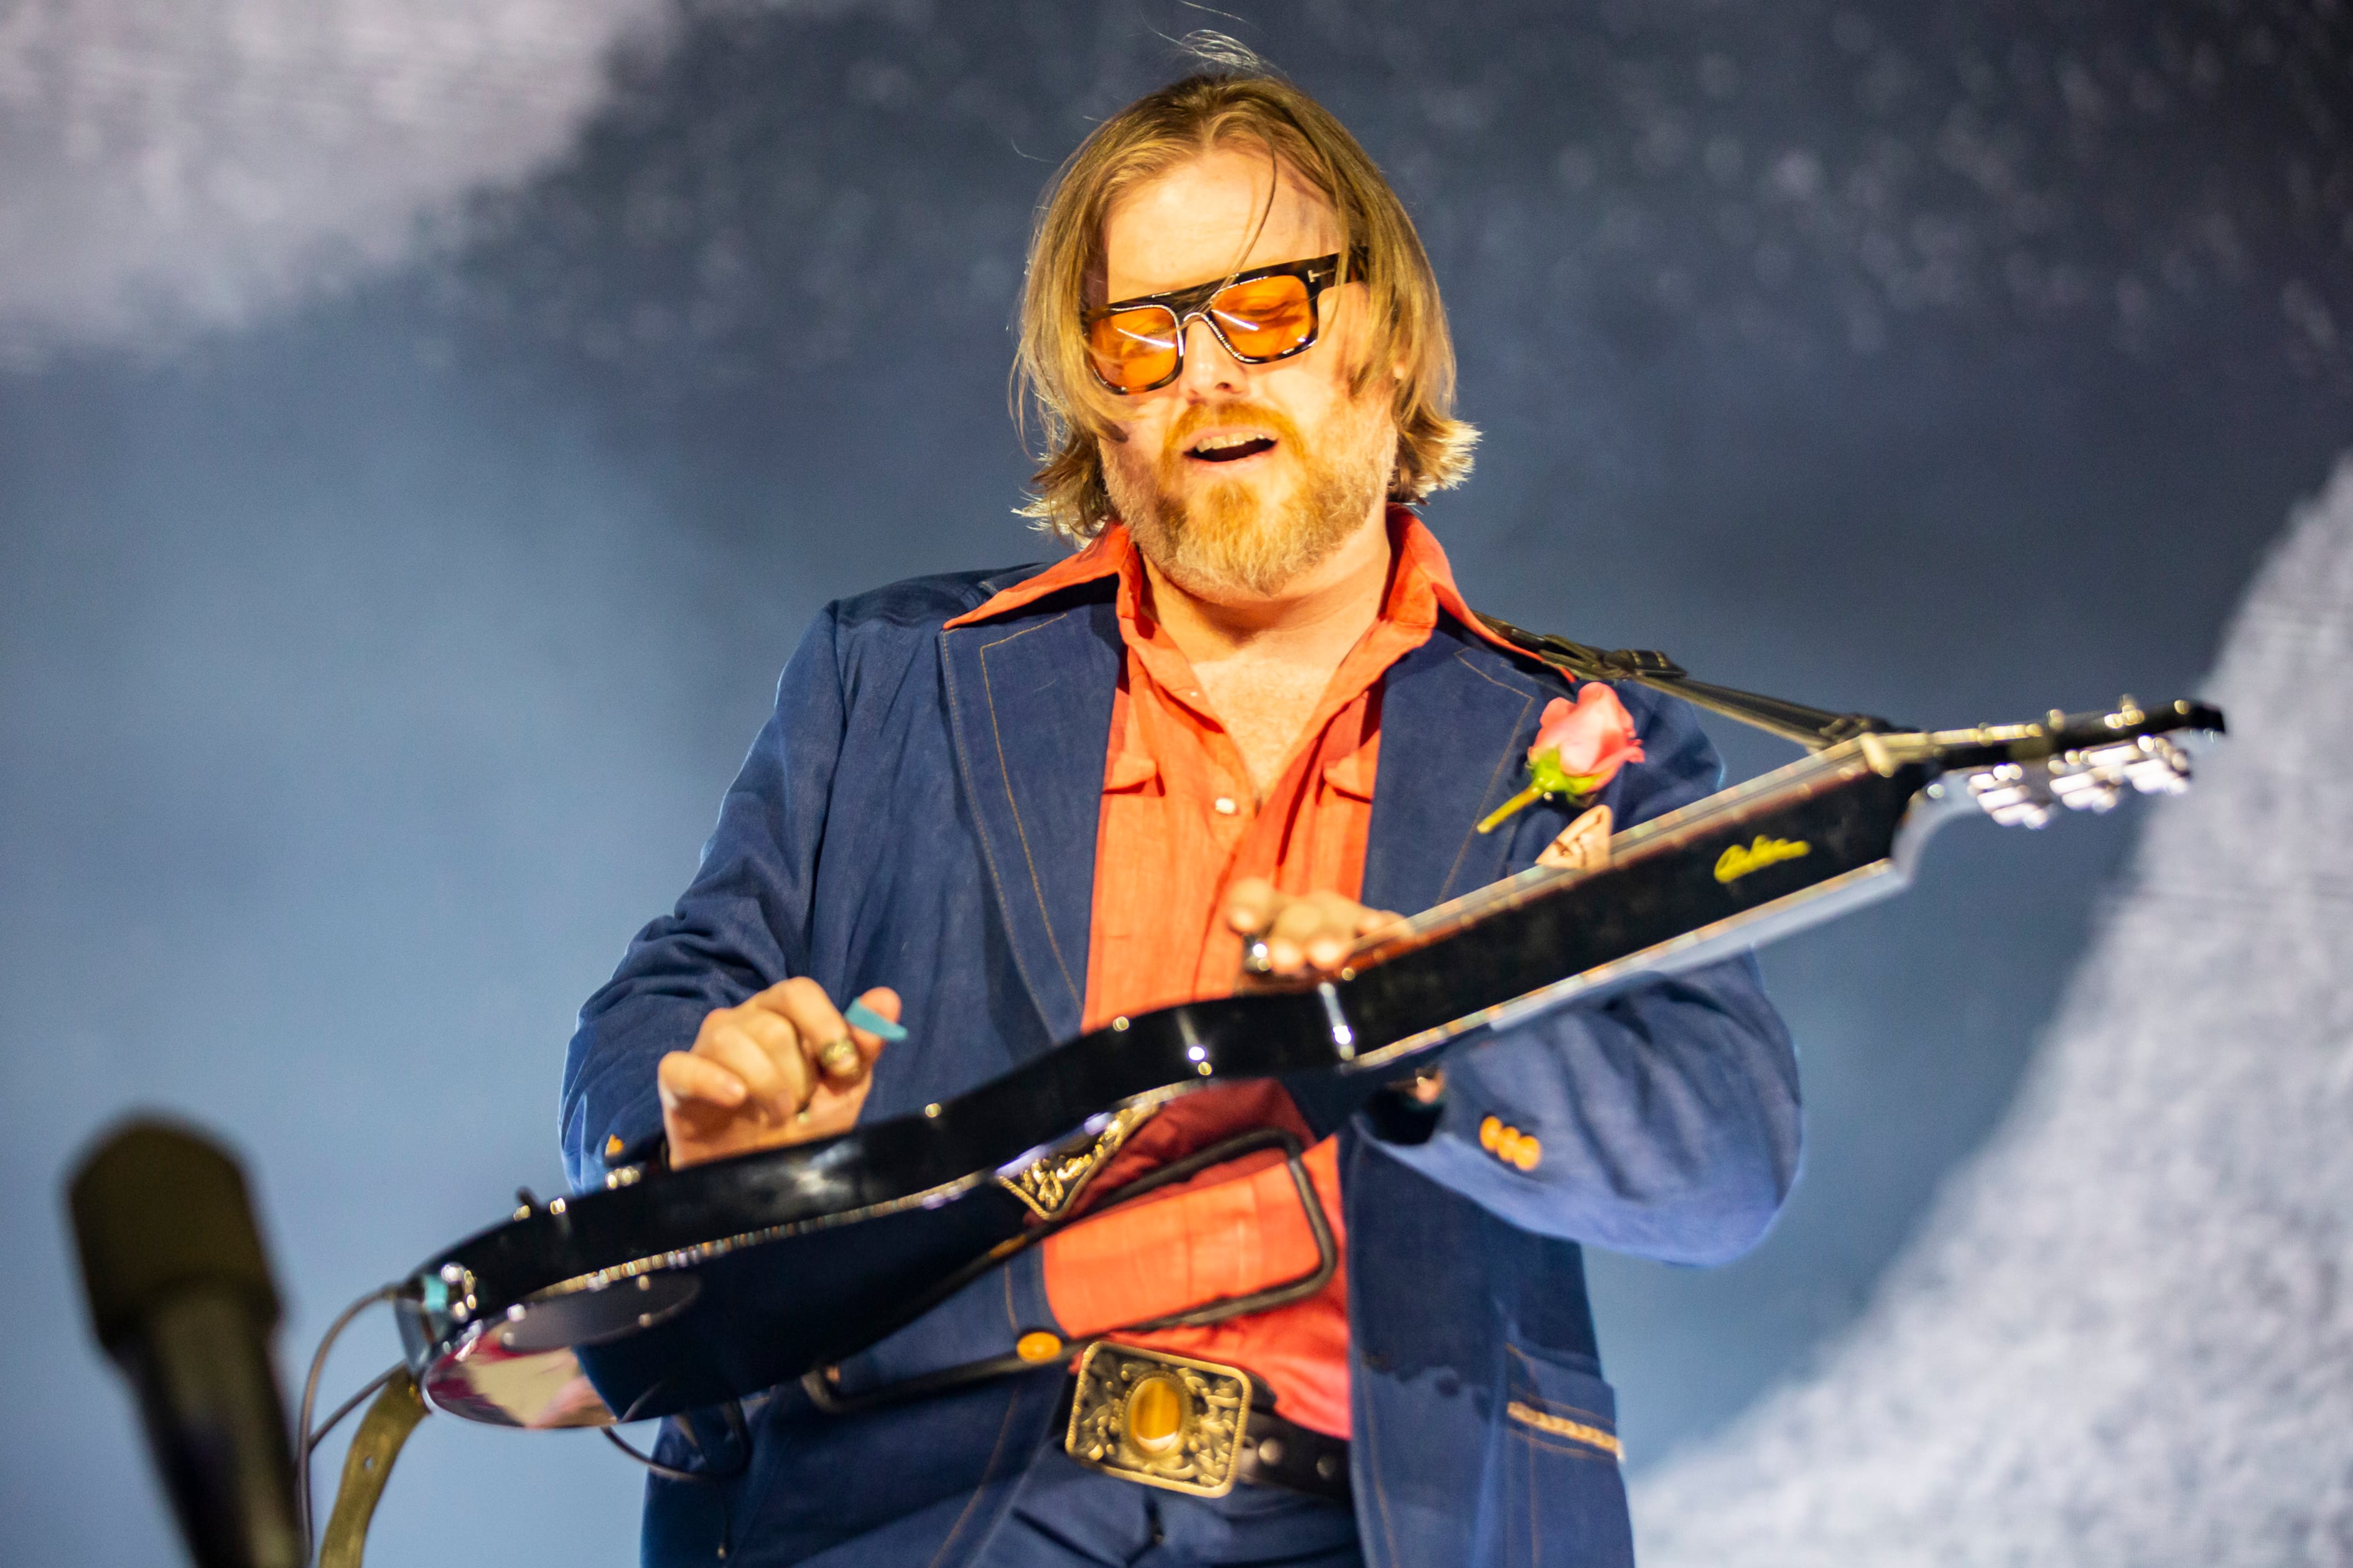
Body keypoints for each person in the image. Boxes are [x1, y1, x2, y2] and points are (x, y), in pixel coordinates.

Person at [562, 56, 1800, 1568]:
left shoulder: (1582, 744)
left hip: (1376, 1527)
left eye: (1265, 309)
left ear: (1389, 343)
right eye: (1141, 338)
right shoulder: (894, 679)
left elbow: (1725, 1160)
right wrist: (697, 1134)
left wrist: (1419, 1036)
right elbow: (658, 1012)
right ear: (1099, 407)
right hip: (917, 1512)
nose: (1207, 372)